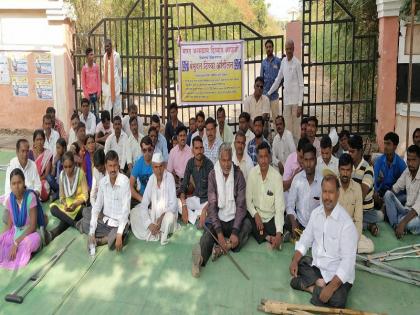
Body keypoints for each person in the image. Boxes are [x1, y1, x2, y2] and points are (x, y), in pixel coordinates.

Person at [289, 174, 358, 308]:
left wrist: (331, 287)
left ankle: (310, 288)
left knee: (339, 301)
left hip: (337, 276)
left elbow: (347, 263)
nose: (327, 197)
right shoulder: (316, 214)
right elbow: (305, 240)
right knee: (300, 261)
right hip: (319, 268)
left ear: (338, 194)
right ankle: (318, 284)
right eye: (325, 192)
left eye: (331, 192)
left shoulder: (346, 224)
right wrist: (295, 260)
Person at [191, 143, 252, 277]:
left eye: (228, 160)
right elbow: (212, 205)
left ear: (232, 159)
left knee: (247, 225)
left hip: (233, 220)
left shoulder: (239, 175)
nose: (226, 164)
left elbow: (241, 206)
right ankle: (199, 260)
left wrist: (235, 231)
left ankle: (222, 248)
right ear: (219, 160)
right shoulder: (213, 175)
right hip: (219, 218)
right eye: (223, 160)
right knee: (208, 234)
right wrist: (218, 233)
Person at [77, 150, 130, 251]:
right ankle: (105, 236)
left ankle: (102, 240)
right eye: (110, 166)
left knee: (120, 233)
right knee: (87, 214)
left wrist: (119, 233)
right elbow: (97, 207)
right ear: (106, 166)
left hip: (119, 223)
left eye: (115, 165)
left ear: (118, 165)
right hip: (105, 221)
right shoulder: (102, 182)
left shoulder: (124, 182)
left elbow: (126, 210)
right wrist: (92, 232)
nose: (113, 169)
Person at [130, 152, 178, 245]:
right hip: (154, 217)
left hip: (166, 216)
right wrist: (149, 224)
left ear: (164, 166)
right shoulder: (152, 179)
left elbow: (174, 205)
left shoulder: (170, 178)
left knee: (169, 219)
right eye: (156, 167)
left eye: (160, 166)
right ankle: (155, 230)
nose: (159, 170)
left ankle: (160, 231)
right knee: (134, 213)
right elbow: (144, 204)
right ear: (152, 167)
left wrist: (162, 216)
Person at [0, 169, 44, 269]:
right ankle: (17, 252)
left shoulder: (30, 197)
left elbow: (32, 227)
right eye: (13, 183)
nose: (16, 186)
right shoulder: (10, 199)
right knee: (2, 241)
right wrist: (2, 237)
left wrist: (16, 243)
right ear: (10, 185)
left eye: (19, 182)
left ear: (24, 182)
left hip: (29, 233)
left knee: (31, 241)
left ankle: (21, 253)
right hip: (16, 232)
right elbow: (9, 225)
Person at [247, 142, 285, 249]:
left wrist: (278, 233)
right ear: (257, 158)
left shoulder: (277, 177)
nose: (263, 160)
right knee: (247, 221)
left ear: (270, 157)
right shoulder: (252, 174)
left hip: (270, 219)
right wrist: (256, 215)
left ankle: (270, 236)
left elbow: (279, 208)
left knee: (280, 225)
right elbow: (248, 201)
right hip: (255, 217)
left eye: (266, 157)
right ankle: (268, 237)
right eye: (260, 157)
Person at [267, 39, 304, 142]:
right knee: (287, 130)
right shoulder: (283, 62)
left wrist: (300, 104)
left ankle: (296, 154)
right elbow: (278, 79)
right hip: (287, 102)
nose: (288, 51)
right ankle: (289, 154)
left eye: (290, 49)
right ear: (285, 49)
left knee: (296, 130)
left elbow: (301, 85)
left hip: (296, 102)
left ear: (293, 49)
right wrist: (269, 93)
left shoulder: (297, 63)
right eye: (287, 49)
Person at [337, 154, 374, 254]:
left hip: (350, 230)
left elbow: (358, 220)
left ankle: (343, 250)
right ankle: (345, 250)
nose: (345, 173)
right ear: (338, 169)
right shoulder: (333, 186)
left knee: (370, 246)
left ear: (352, 170)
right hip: (335, 231)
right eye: (342, 169)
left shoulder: (357, 188)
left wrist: (354, 240)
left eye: (348, 170)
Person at [49, 151, 88, 240]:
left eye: (70, 166)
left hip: (79, 206)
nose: (68, 170)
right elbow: (61, 197)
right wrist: (65, 204)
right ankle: (75, 224)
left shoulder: (80, 173)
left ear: (74, 164)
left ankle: (52, 234)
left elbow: (86, 196)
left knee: (66, 219)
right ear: (62, 166)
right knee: (53, 209)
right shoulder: (62, 175)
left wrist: (75, 204)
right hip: (67, 206)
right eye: (65, 167)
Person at [348, 134, 382, 237]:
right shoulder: (348, 166)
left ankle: (365, 223)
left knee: (349, 225)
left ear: (360, 151)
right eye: (349, 151)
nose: (350, 154)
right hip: (351, 206)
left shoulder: (368, 169)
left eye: (352, 152)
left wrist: (350, 212)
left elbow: (361, 196)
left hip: (364, 210)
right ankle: (369, 225)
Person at [286, 143, 321, 239]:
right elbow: (290, 205)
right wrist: (294, 223)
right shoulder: (297, 179)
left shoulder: (322, 182)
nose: (308, 164)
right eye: (306, 160)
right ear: (302, 161)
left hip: (316, 227)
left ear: (316, 161)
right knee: (287, 220)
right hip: (300, 224)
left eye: (311, 160)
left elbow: (324, 210)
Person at [384, 145, 420, 238]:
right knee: (387, 194)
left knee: (409, 224)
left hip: (417, 214)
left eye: (414, 160)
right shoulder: (407, 171)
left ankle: (399, 224)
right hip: (406, 210)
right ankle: (397, 225)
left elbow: (417, 207)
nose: (410, 163)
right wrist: (385, 206)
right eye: (408, 160)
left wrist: (403, 223)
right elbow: (395, 188)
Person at [179, 136, 214, 227]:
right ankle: (197, 217)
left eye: (201, 148)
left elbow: (214, 193)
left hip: (207, 201)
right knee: (177, 203)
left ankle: (196, 216)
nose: (199, 151)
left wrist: (205, 209)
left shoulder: (209, 165)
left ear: (203, 149)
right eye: (196, 148)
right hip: (196, 199)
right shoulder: (190, 163)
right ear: (192, 150)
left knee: (215, 208)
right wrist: (183, 206)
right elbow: (183, 187)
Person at [373, 132, 406, 207]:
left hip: (394, 194)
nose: (385, 146)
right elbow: (375, 180)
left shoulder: (401, 164)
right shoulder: (379, 161)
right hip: (381, 192)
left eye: (388, 144)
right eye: (385, 143)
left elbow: (404, 185)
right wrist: (376, 192)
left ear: (395, 146)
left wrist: (388, 197)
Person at [261, 39, 282, 122]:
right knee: (265, 120)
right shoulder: (263, 63)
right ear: (265, 49)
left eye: (270, 47)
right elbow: (261, 79)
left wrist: (277, 88)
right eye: (267, 47)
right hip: (265, 96)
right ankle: (268, 135)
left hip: (274, 96)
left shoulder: (278, 61)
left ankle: (277, 135)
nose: (268, 49)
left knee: (276, 119)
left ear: (273, 48)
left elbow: (282, 78)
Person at [129, 136, 154, 208]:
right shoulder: (138, 164)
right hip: (143, 196)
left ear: (153, 149)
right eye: (144, 150)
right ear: (141, 151)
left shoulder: (157, 161)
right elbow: (130, 186)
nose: (147, 153)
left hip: (157, 197)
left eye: (149, 149)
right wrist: (142, 200)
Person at [29, 129, 53, 202]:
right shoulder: (30, 153)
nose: (39, 142)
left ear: (44, 140)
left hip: (41, 180)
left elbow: (46, 174)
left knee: (43, 187)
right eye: (37, 139)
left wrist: (36, 180)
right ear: (34, 141)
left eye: (41, 139)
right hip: (30, 179)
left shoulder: (48, 154)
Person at [167, 126, 193, 191]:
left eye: (184, 135)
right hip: (175, 184)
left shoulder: (191, 152)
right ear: (177, 138)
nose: (183, 138)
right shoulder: (172, 152)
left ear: (186, 137)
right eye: (181, 136)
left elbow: (193, 172)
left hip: (188, 184)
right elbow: (169, 171)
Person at [102, 39, 122, 117]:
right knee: (107, 107)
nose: (106, 48)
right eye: (105, 46)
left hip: (115, 85)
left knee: (117, 108)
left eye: (108, 46)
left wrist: (117, 81)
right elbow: (105, 70)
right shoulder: (104, 56)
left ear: (111, 46)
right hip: (107, 86)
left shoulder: (116, 55)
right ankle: (107, 124)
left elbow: (119, 70)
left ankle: (117, 124)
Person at [81, 47, 101, 118]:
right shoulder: (84, 68)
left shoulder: (96, 67)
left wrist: (99, 92)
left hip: (96, 94)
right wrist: (86, 95)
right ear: (87, 56)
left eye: (93, 54)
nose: (92, 56)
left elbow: (99, 80)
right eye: (91, 54)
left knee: (97, 114)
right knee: (90, 114)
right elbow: (83, 83)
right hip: (88, 95)